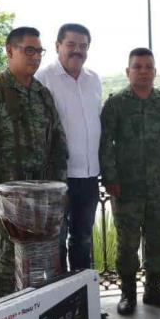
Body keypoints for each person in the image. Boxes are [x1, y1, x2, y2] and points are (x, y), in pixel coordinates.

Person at [0, 27, 68, 298]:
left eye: (39, 51)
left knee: (42, 261)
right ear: (10, 51)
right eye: (29, 50)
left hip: (42, 198)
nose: (35, 57)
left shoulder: (42, 94)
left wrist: (61, 189)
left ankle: (38, 317)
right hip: (8, 198)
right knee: (8, 262)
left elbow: (57, 143)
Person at [99, 48, 160, 316]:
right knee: (127, 243)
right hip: (125, 188)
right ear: (128, 72)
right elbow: (105, 143)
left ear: (154, 71)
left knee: (157, 240)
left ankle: (153, 290)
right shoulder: (116, 104)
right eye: (137, 66)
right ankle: (127, 294)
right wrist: (110, 177)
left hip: (159, 186)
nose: (143, 71)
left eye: (148, 66)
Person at [36, 23, 102, 273]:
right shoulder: (43, 79)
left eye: (83, 46)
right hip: (58, 177)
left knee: (83, 240)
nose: (77, 51)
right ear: (57, 46)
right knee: (56, 242)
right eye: (71, 45)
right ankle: (63, 305)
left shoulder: (94, 80)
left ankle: (84, 302)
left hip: (89, 175)